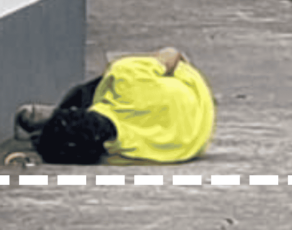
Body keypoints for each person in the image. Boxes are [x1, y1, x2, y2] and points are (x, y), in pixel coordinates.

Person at [14, 47, 215, 165]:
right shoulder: (128, 77)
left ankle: (54, 120)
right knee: (107, 80)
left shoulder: (120, 151)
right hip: (189, 95)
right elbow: (172, 53)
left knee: (93, 90)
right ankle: (55, 122)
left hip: (197, 133)